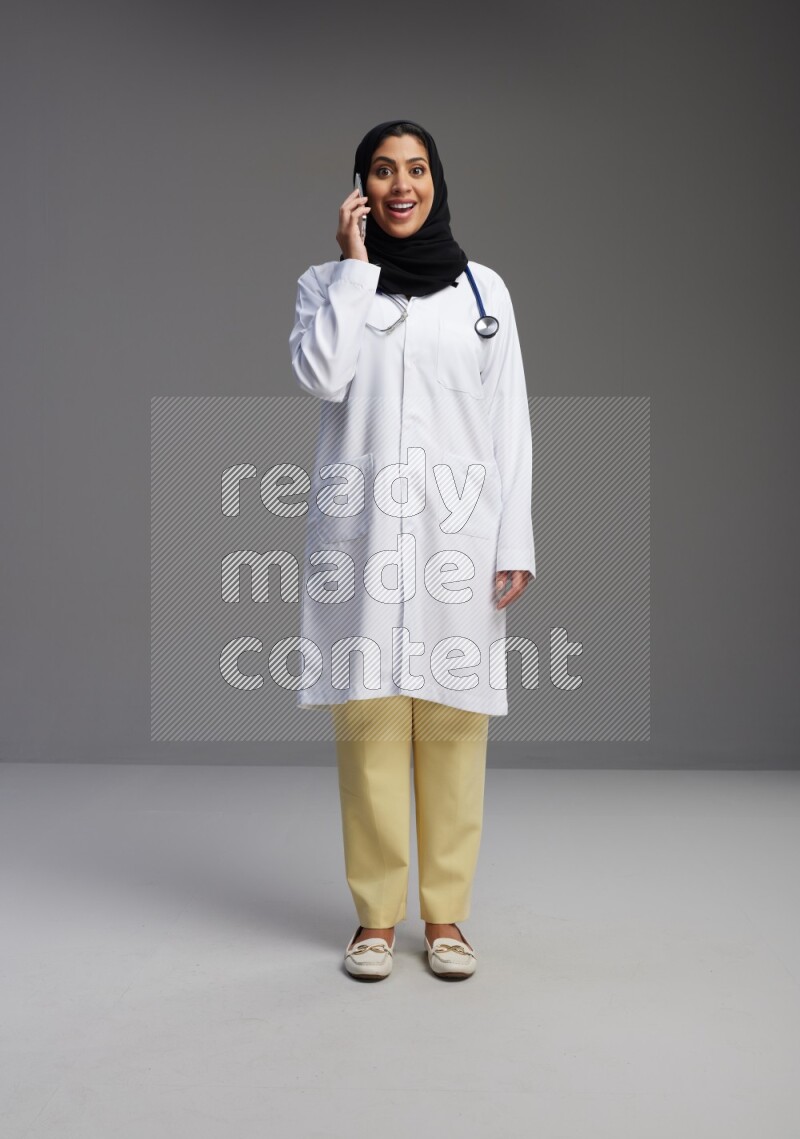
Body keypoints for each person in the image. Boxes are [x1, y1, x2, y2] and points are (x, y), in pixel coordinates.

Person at [289, 119, 536, 980]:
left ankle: (447, 918)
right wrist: (355, 270)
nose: (402, 185)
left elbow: (511, 422)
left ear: (437, 180)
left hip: (455, 539)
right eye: (384, 171)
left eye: (417, 169)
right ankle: (373, 920)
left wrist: (515, 539)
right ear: (360, 186)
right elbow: (323, 375)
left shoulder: (484, 293)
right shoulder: (326, 285)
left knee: (453, 731)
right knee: (370, 727)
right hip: (363, 539)